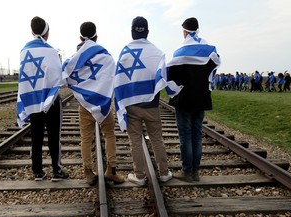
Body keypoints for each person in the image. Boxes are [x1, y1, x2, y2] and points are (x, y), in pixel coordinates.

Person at [114, 16, 181, 185]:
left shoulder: (125, 52)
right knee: (157, 138)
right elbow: (162, 77)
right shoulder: (157, 53)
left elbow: (118, 79)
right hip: (151, 104)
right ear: (148, 31)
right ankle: (164, 173)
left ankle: (139, 175)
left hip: (131, 105)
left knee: (135, 141)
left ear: (131, 31)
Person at [62, 21, 124, 186]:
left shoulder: (74, 59)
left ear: (80, 37)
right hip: (102, 104)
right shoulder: (106, 57)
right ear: (96, 36)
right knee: (109, 134)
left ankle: (88, 172)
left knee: (86, 138)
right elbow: (112, 76)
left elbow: (65, 74)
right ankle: (111, 170)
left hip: (84, 104)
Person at [167, 17, 221, 182]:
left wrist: (172, 91)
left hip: (184, 99)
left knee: (185, 135)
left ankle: (187, 171)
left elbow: (171, 76)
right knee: (197, 134)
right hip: (202, 97)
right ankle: (196, 171)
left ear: (185, 32)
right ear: (197, 30)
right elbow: (213, 70)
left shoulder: (180, 52)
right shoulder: (210, 50)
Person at [17, 16, 69, 182]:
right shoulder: (51, 51)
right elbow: (57, 77)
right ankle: (56, 170)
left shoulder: (24, 51)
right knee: (54, 135)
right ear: (47, 32)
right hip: (50, 100)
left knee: (36, 135)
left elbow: (26, 77)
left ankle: (37, 171)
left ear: (32, 32)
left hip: (33, 100)